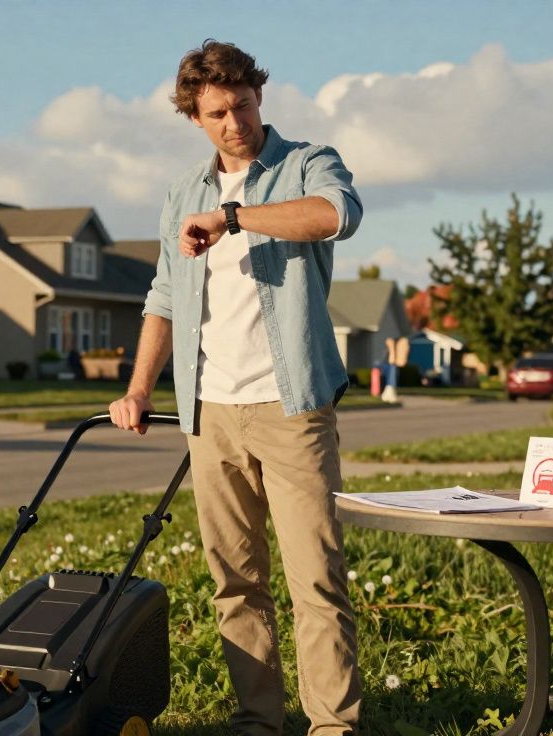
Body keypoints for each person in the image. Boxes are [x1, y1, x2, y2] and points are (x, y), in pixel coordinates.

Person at [108, 40, 363, 736]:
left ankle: (332, 726)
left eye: (243, 105)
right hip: (209, 412)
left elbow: (338, 214)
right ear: (195, 116)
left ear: (259, 97)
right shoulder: (183, 194)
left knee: (315, 577)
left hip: (292, 408)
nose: (234, 123)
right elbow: (163, 296)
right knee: (235, 582)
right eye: (217, 112)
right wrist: (137, 389)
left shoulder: (307, 164)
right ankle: (259, 719)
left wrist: (234, 217)